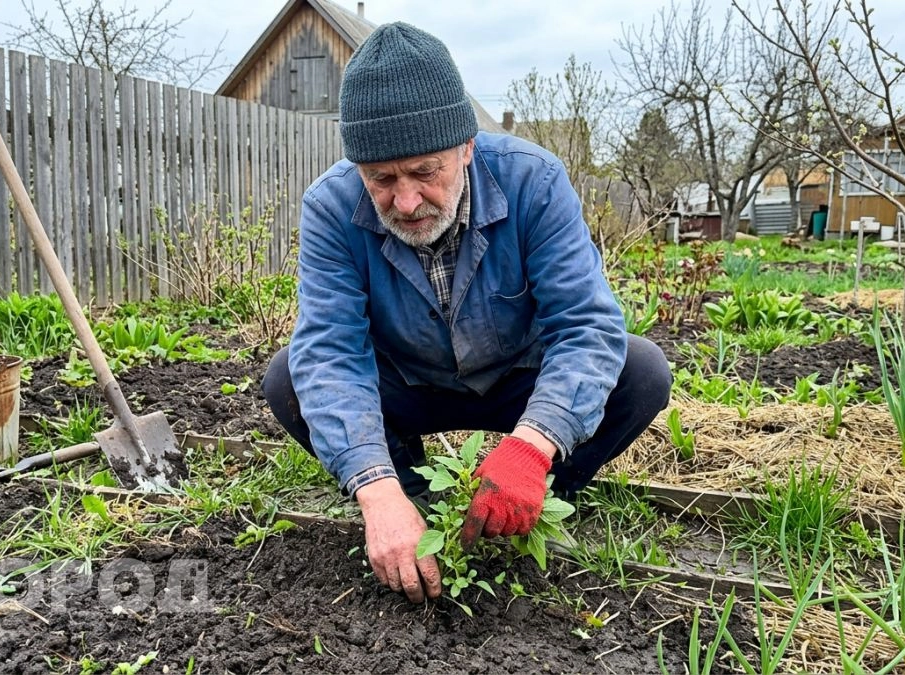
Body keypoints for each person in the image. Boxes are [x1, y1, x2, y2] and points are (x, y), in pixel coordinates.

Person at [262, 22, 672, 604]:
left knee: (641, 370)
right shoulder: (331, 207)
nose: (406, 201)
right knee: (289, 378)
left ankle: (530, 502)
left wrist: (534, 444)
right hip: (408, 383)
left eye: (425, 172)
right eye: (382, 179)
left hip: (517, 380)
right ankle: (410, 503)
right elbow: (330, 352)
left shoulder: (534, 182)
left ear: (467, 148)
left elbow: (586, 326)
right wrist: (376, 491)